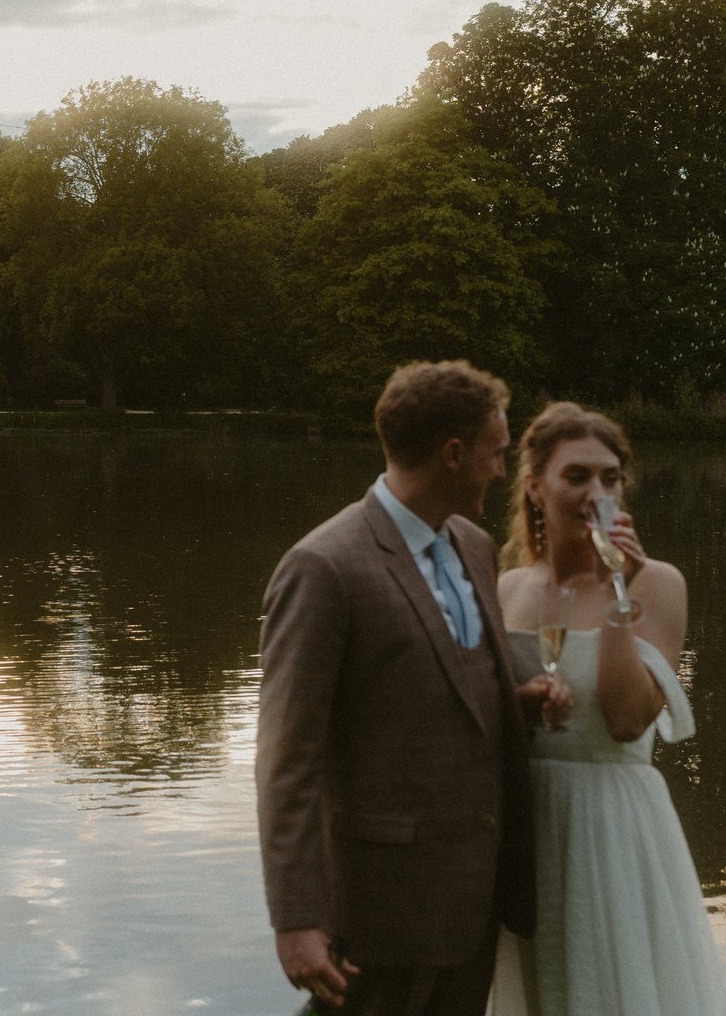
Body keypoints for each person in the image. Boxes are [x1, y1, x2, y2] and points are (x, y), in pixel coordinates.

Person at [257, 360, 561, 1016]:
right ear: (453, 454)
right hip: (379, 910)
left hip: (473, 904)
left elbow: (439, 691)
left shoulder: (474, 546)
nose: (501, 471)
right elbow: (287, 759)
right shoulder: (324, 566)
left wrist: (518, 706)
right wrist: (297, 918)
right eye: (495, 453)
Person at [490, 402, 726, 1016]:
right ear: (535, 487)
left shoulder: (657, 583)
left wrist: (615, 590)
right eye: (577, 476)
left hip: (612, 828)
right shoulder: (508, 588)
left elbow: (626, 720)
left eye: (610, 478)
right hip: (526, 824)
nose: (597, 494)